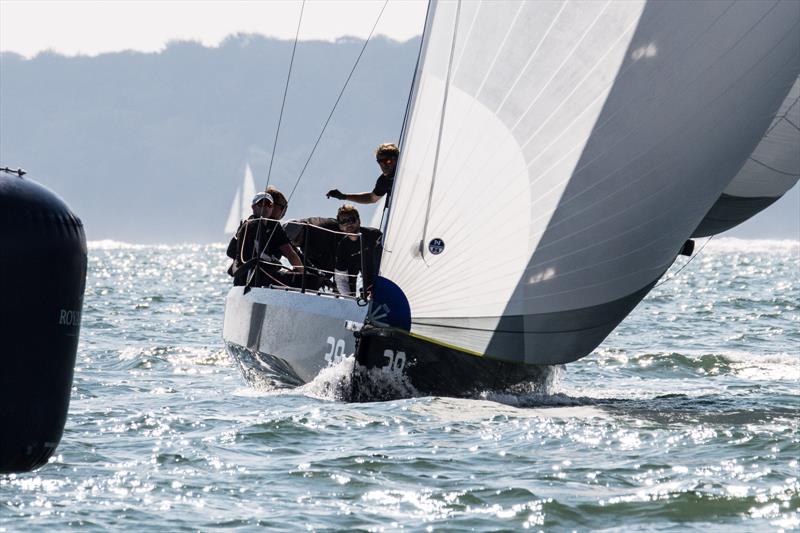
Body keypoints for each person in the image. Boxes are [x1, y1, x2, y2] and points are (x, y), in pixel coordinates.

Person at [226, 192, 304, 287]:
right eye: (261, 204)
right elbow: (255, 255)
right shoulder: (251, 225)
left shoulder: (274, 226)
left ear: (272, 208)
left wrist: (304, 274)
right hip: (247, 279)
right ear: (253, 207)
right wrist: (275, 262)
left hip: (266, 276)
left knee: (298, 279)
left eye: (269, 205)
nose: (265, 208)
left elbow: (291, 253)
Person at [332, 205, 382, 298]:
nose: (348, 224)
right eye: (343, 221)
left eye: (352, 219)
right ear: (340, 226)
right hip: (360, 282)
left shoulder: (374, 235)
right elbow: (341, 278)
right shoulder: (342, 246)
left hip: (380, 280)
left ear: (359, 221)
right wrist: (348, 300)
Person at [326, 143, 399, 204]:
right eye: (380, 162)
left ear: (396, 158)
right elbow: (371, 198)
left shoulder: (407, 166)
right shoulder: (384, 181)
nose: (384, 165)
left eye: (387, 161)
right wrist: (343, 196)